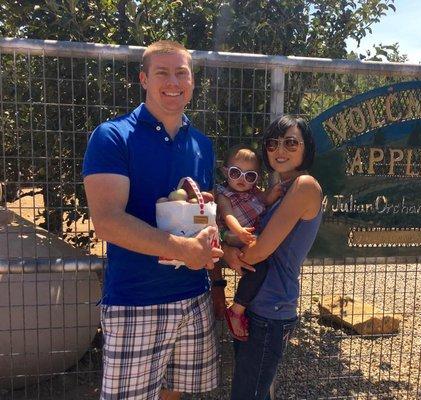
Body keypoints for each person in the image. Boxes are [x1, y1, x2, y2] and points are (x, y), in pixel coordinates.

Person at [82, 40, 224, 400]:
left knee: (175, 394)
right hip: (136, 301)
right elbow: (108, 222)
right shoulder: (113, 137)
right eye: (162, 72)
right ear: (143, 79)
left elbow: (194, 215)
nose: (173, 81)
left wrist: (206, 222)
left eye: (182, 73)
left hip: (194, 297)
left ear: (192, 82)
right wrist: (184, 249)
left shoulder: (202, 145)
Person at [222, 115, 323, 400]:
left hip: (272, 310)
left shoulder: (305, 186)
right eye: (273, 143)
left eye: (291, 143)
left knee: (247, 394)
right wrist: (229, 251)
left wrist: (230, 253)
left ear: (306, 148)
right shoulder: (278, 192)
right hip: (256, 305)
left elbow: (261, 249)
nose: (281, 150)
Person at [215, 145, 283, 340]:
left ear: (256, 178)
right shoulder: (224, 194)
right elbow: (228, 215)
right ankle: (236, 311)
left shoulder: (255, 192)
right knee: (259, 267)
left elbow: (267, 200)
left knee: (261, 268)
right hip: (233, 236)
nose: (242, 180)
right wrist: (239, 232)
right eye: (236, 173)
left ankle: (240, 307)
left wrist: (277, 191)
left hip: (249, 238)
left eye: (250, 176)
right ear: (225, 171)